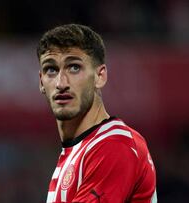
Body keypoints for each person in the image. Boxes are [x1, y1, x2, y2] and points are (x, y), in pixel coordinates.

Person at [37, 24, 157, 203]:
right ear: (41, 82)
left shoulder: (114, 144)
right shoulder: (78, 152)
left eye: (74, 67)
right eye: (51, 70)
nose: (61, 83)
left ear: (100, 76)